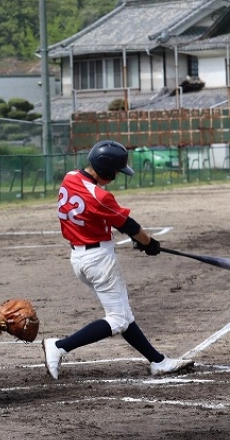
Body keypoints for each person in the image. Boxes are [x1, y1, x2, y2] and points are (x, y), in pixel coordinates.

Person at [43, 140, 194, 380]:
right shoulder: (100, 196)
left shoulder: (70, 178)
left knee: (123, 314)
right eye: (115, 171)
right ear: (105, 169)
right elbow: (129, 226)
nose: (115, 176)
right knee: (118, 319)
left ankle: (158, 361)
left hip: (79, 257)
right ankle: (60, 346)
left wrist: (139, 240)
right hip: (98, 261)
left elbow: (99, 218)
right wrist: (149, 243)